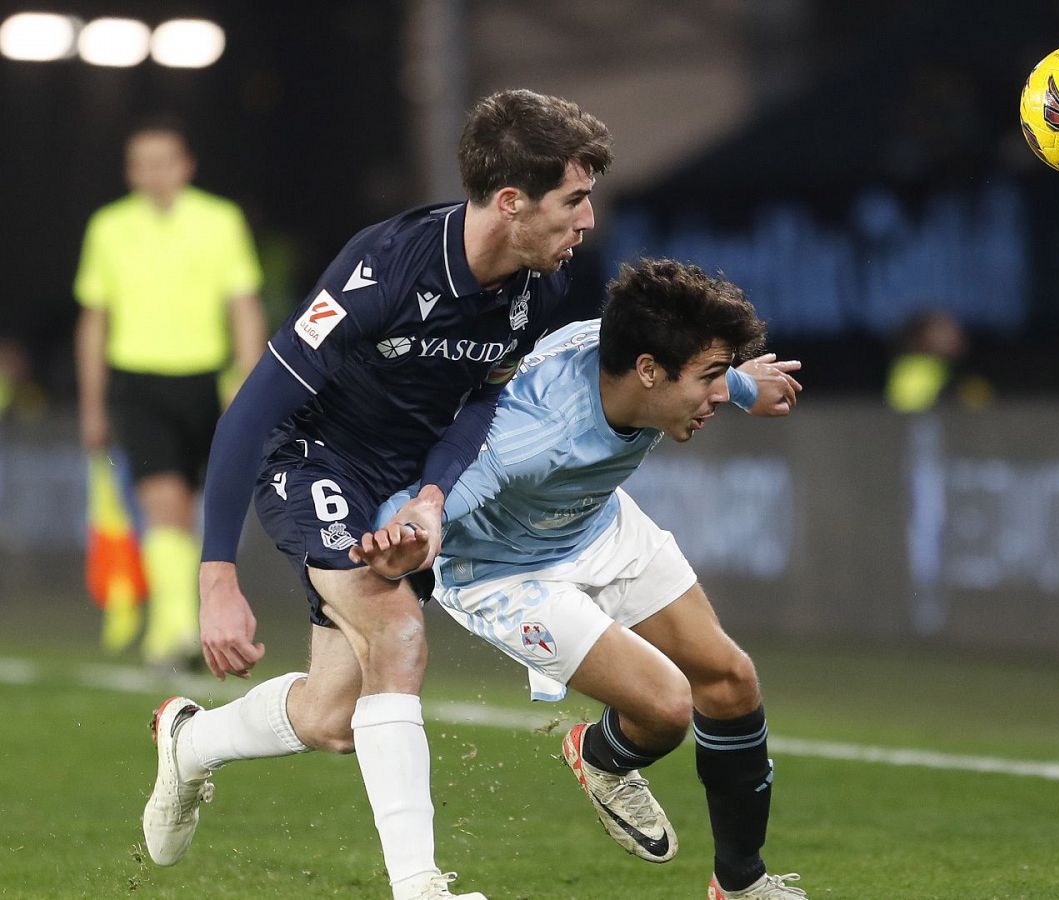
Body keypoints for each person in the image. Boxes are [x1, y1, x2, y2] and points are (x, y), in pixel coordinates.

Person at [139, 89, 614, 900]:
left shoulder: (542, 287)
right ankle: (419, 886)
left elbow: (479, 402)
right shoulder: (382, 268)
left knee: (331, 718)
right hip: (316, 457)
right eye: (573, 199)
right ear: (511, 202)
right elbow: (254, 407)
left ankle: (190, 743)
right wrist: (216, 575)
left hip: (401, 489)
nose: (588, 221)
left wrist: (430, 497)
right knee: (395, 634)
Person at [353, 259, 809, 899]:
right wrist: (399, 536)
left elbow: (687, 366)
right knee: (666, 708)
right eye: (710, 378)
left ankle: (741, 884)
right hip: (501, 570)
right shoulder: (531, 435)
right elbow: (427, 497)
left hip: (594, 523)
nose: (717, 393)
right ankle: (600, 755)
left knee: (730, 681)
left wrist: (739, 384)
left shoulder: (636, 357)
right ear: (649, 372)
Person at [74, 122, 266, 667]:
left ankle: (185, 623)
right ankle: (175, 633)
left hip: (208, 381)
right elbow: (94, 319)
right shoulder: (108, 227)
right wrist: (93, 404)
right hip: (139, 382)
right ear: (130, 170)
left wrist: (246, 382)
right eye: (142, 162)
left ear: (186, 164)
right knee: (164, 505)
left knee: (205, 508)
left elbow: (244, 305)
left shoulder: (220, 220)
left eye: (164, 160)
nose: (153, 172)